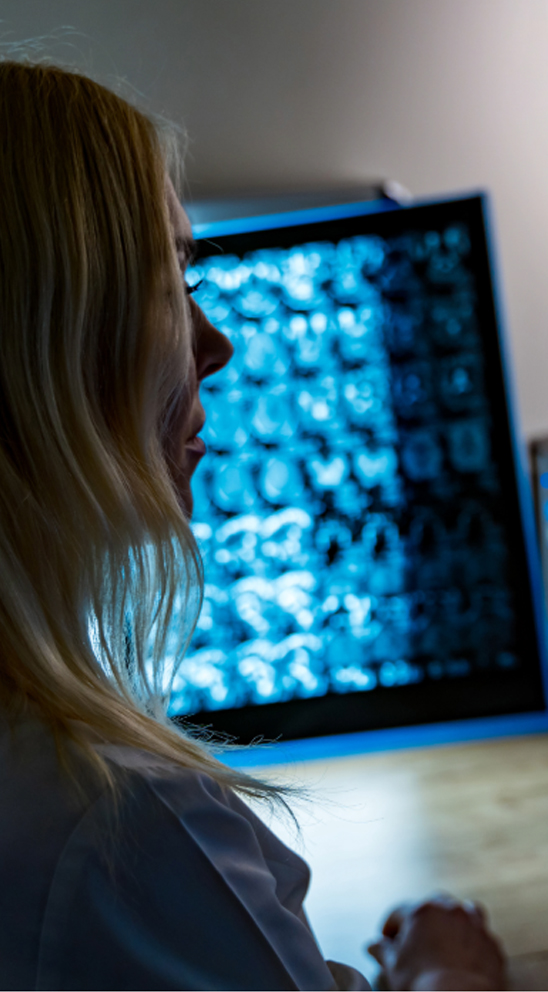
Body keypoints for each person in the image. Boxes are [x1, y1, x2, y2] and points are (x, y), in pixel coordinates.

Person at [0, 60, 506, 991]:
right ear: (53, 348)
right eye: (170, 281)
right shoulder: (121, 828)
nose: (216, 344)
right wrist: (451, 979)